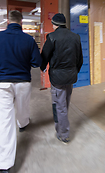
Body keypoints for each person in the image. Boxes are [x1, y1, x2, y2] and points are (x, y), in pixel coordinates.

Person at [0, 10, 42, 173]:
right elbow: (37, 62)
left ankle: (4, 166)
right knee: (23, 108)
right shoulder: (28, 39)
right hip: (23, 82)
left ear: (8, 21)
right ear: (21, 22)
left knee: (3, 122)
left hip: (2, 84)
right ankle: (23, 124)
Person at [40, 13, 83, 144]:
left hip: (57, 78)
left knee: (60, 106)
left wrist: (43, 67)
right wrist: (74, 71)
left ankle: (63, 134)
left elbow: (44, 56)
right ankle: (62, 127)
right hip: (71, 77)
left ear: (55, 24)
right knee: (65, 103)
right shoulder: (75, 37)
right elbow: (80, 59)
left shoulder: (52, 37)